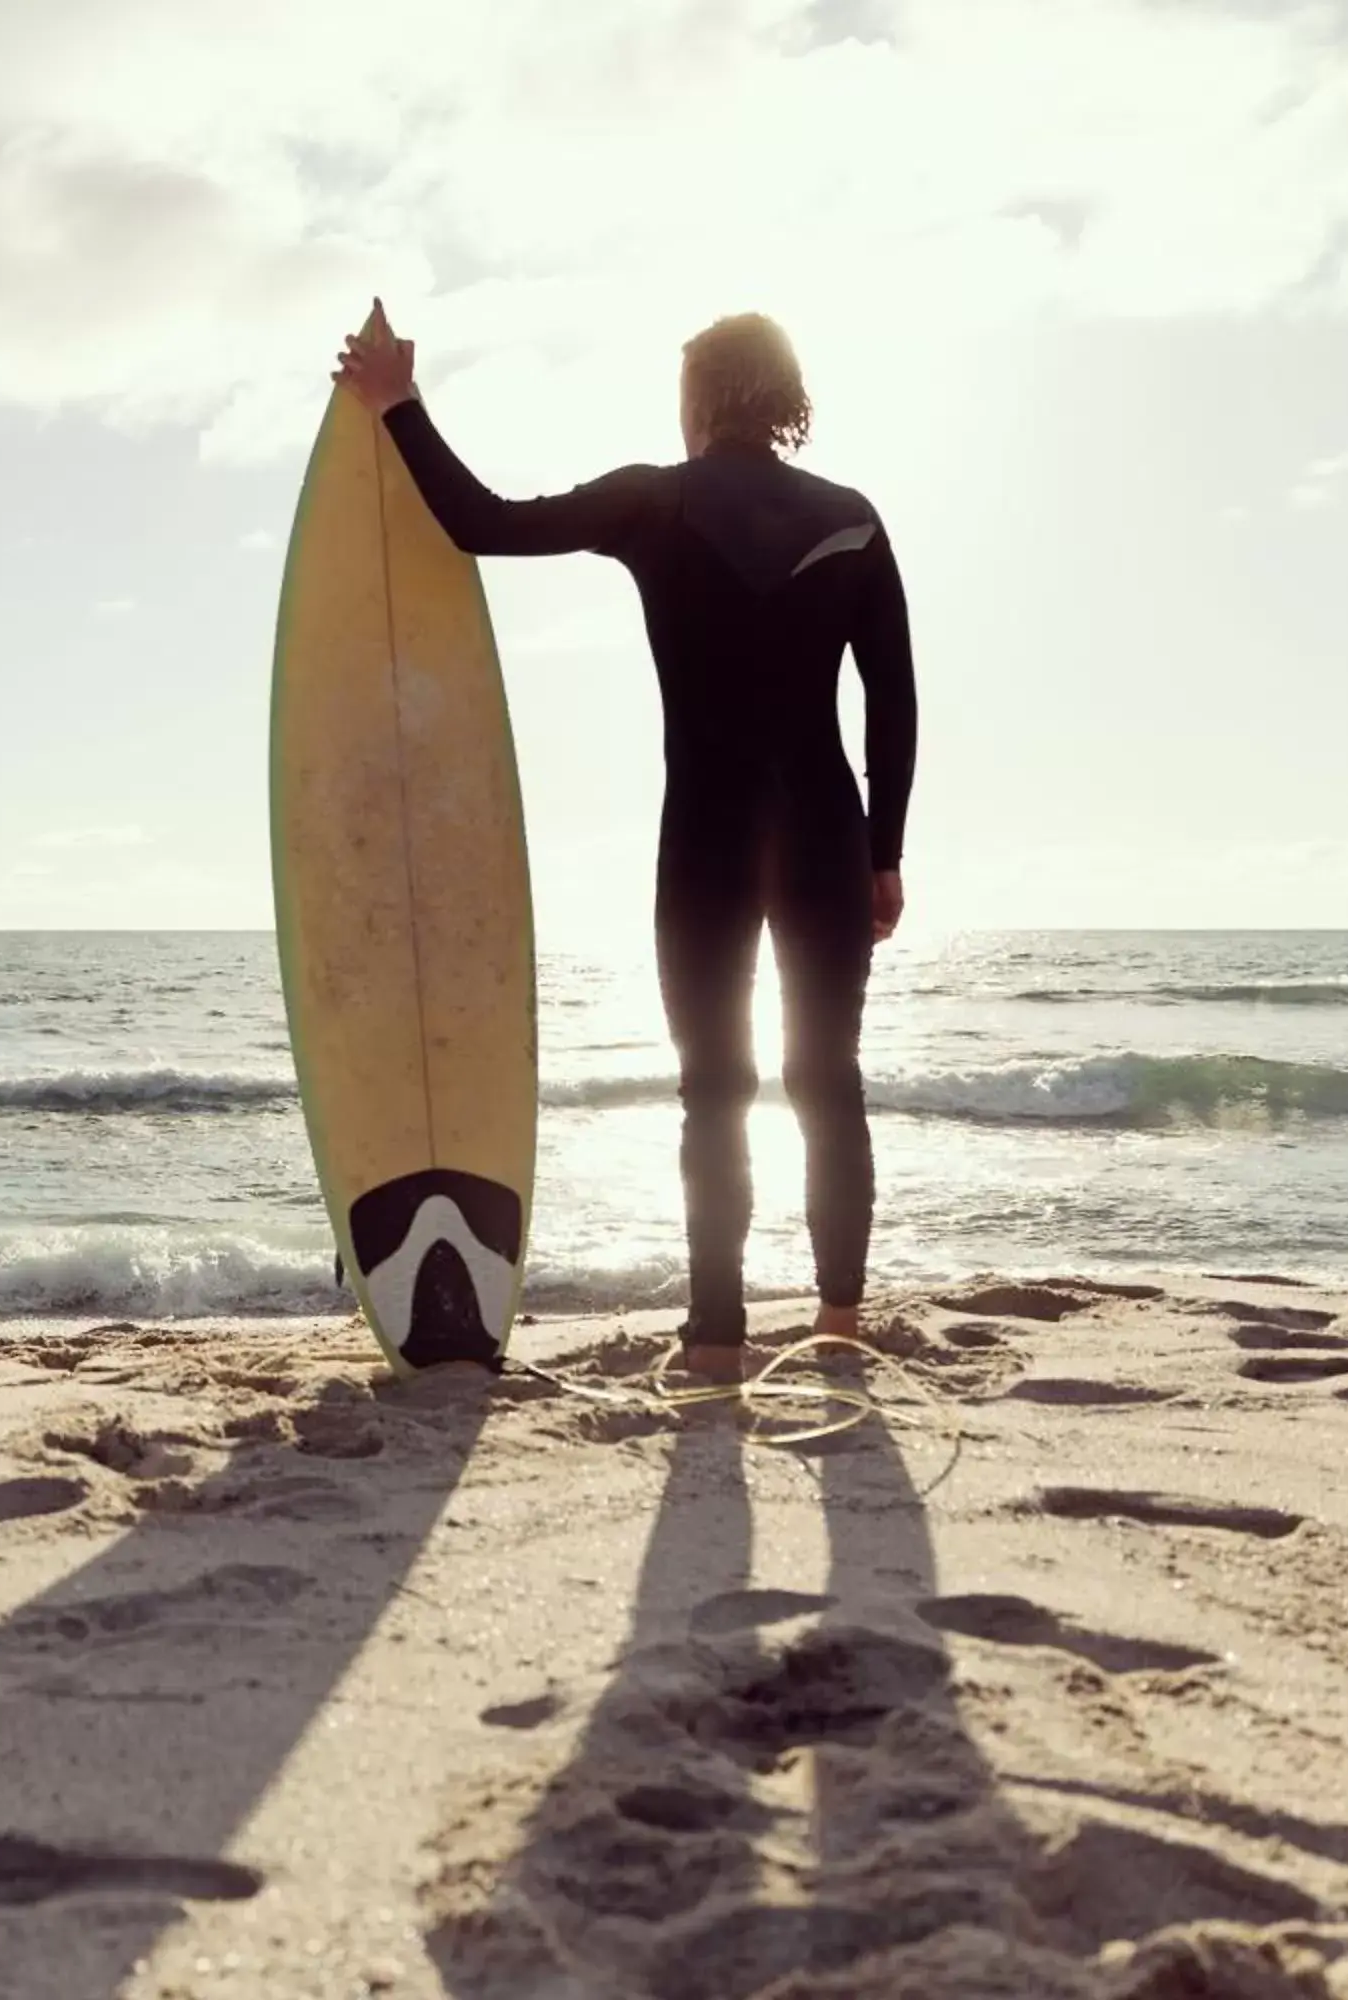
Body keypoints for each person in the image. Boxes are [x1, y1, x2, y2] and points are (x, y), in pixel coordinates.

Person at [332, 304, 915, 1386]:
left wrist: (399, 404)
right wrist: (884, 853)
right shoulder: (853, 519)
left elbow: (482, 522)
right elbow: (893, 701)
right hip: (828, 832)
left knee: (715, 1087)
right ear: (782, 400)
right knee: (826, 1076)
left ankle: (717, 1340)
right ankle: (838, 1325)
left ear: (698, 400)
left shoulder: (656, 498)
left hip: (706, 833)